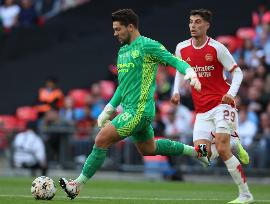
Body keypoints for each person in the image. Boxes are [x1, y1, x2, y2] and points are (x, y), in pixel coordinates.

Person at [59, 8, 209, 199]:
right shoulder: (122, 52)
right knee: (148, 149)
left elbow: (174, 60)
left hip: (139, 110)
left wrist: (190, 73)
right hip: (134, 111)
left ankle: (76, 185)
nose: (115, 33)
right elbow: (123, 86)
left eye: (118, 29)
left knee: (101, 139)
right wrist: (108, 109)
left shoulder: (148, 46)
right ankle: (196, 152)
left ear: (130, 27)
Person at [171, 9, 254, 203]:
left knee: (223, 149)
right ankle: (233, 143)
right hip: (201, 109)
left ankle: (245, 194)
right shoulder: (182, 48)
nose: (193, 25)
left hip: (221, 104)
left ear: (207, 25)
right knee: (203, 156)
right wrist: (176, 91)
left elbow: (238, 73)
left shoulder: (217, 48)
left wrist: (230, 95)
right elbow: (179, 71)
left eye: (198, 22)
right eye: (191, 21)